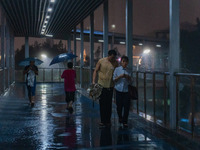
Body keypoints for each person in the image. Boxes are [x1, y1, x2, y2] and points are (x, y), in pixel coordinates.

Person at [92, 49, 118, 128]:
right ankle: (103, 121)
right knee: (102, 104)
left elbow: (116, 73)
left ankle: (108, 120)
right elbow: (95, 71)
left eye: (114, 58)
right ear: (108, 55)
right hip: (101, 85)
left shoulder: (116, 63)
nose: (113, 59)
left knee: (109, 104)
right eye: (112, 57)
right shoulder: (101, 61)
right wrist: (93, 81)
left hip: (110, 86)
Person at [113, 56, 131, 128]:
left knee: (126, 106)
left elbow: (131, 80)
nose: (125, 63)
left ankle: (125, 121)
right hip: (118, 90)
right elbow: (114, 79)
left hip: (126, 90)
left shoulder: (129, 70)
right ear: (121, 62)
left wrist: (128, 77)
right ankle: (120, 117)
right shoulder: (117, 69)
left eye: (126, 62)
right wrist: (120, 76)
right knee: (119, 106)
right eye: (124, 61)